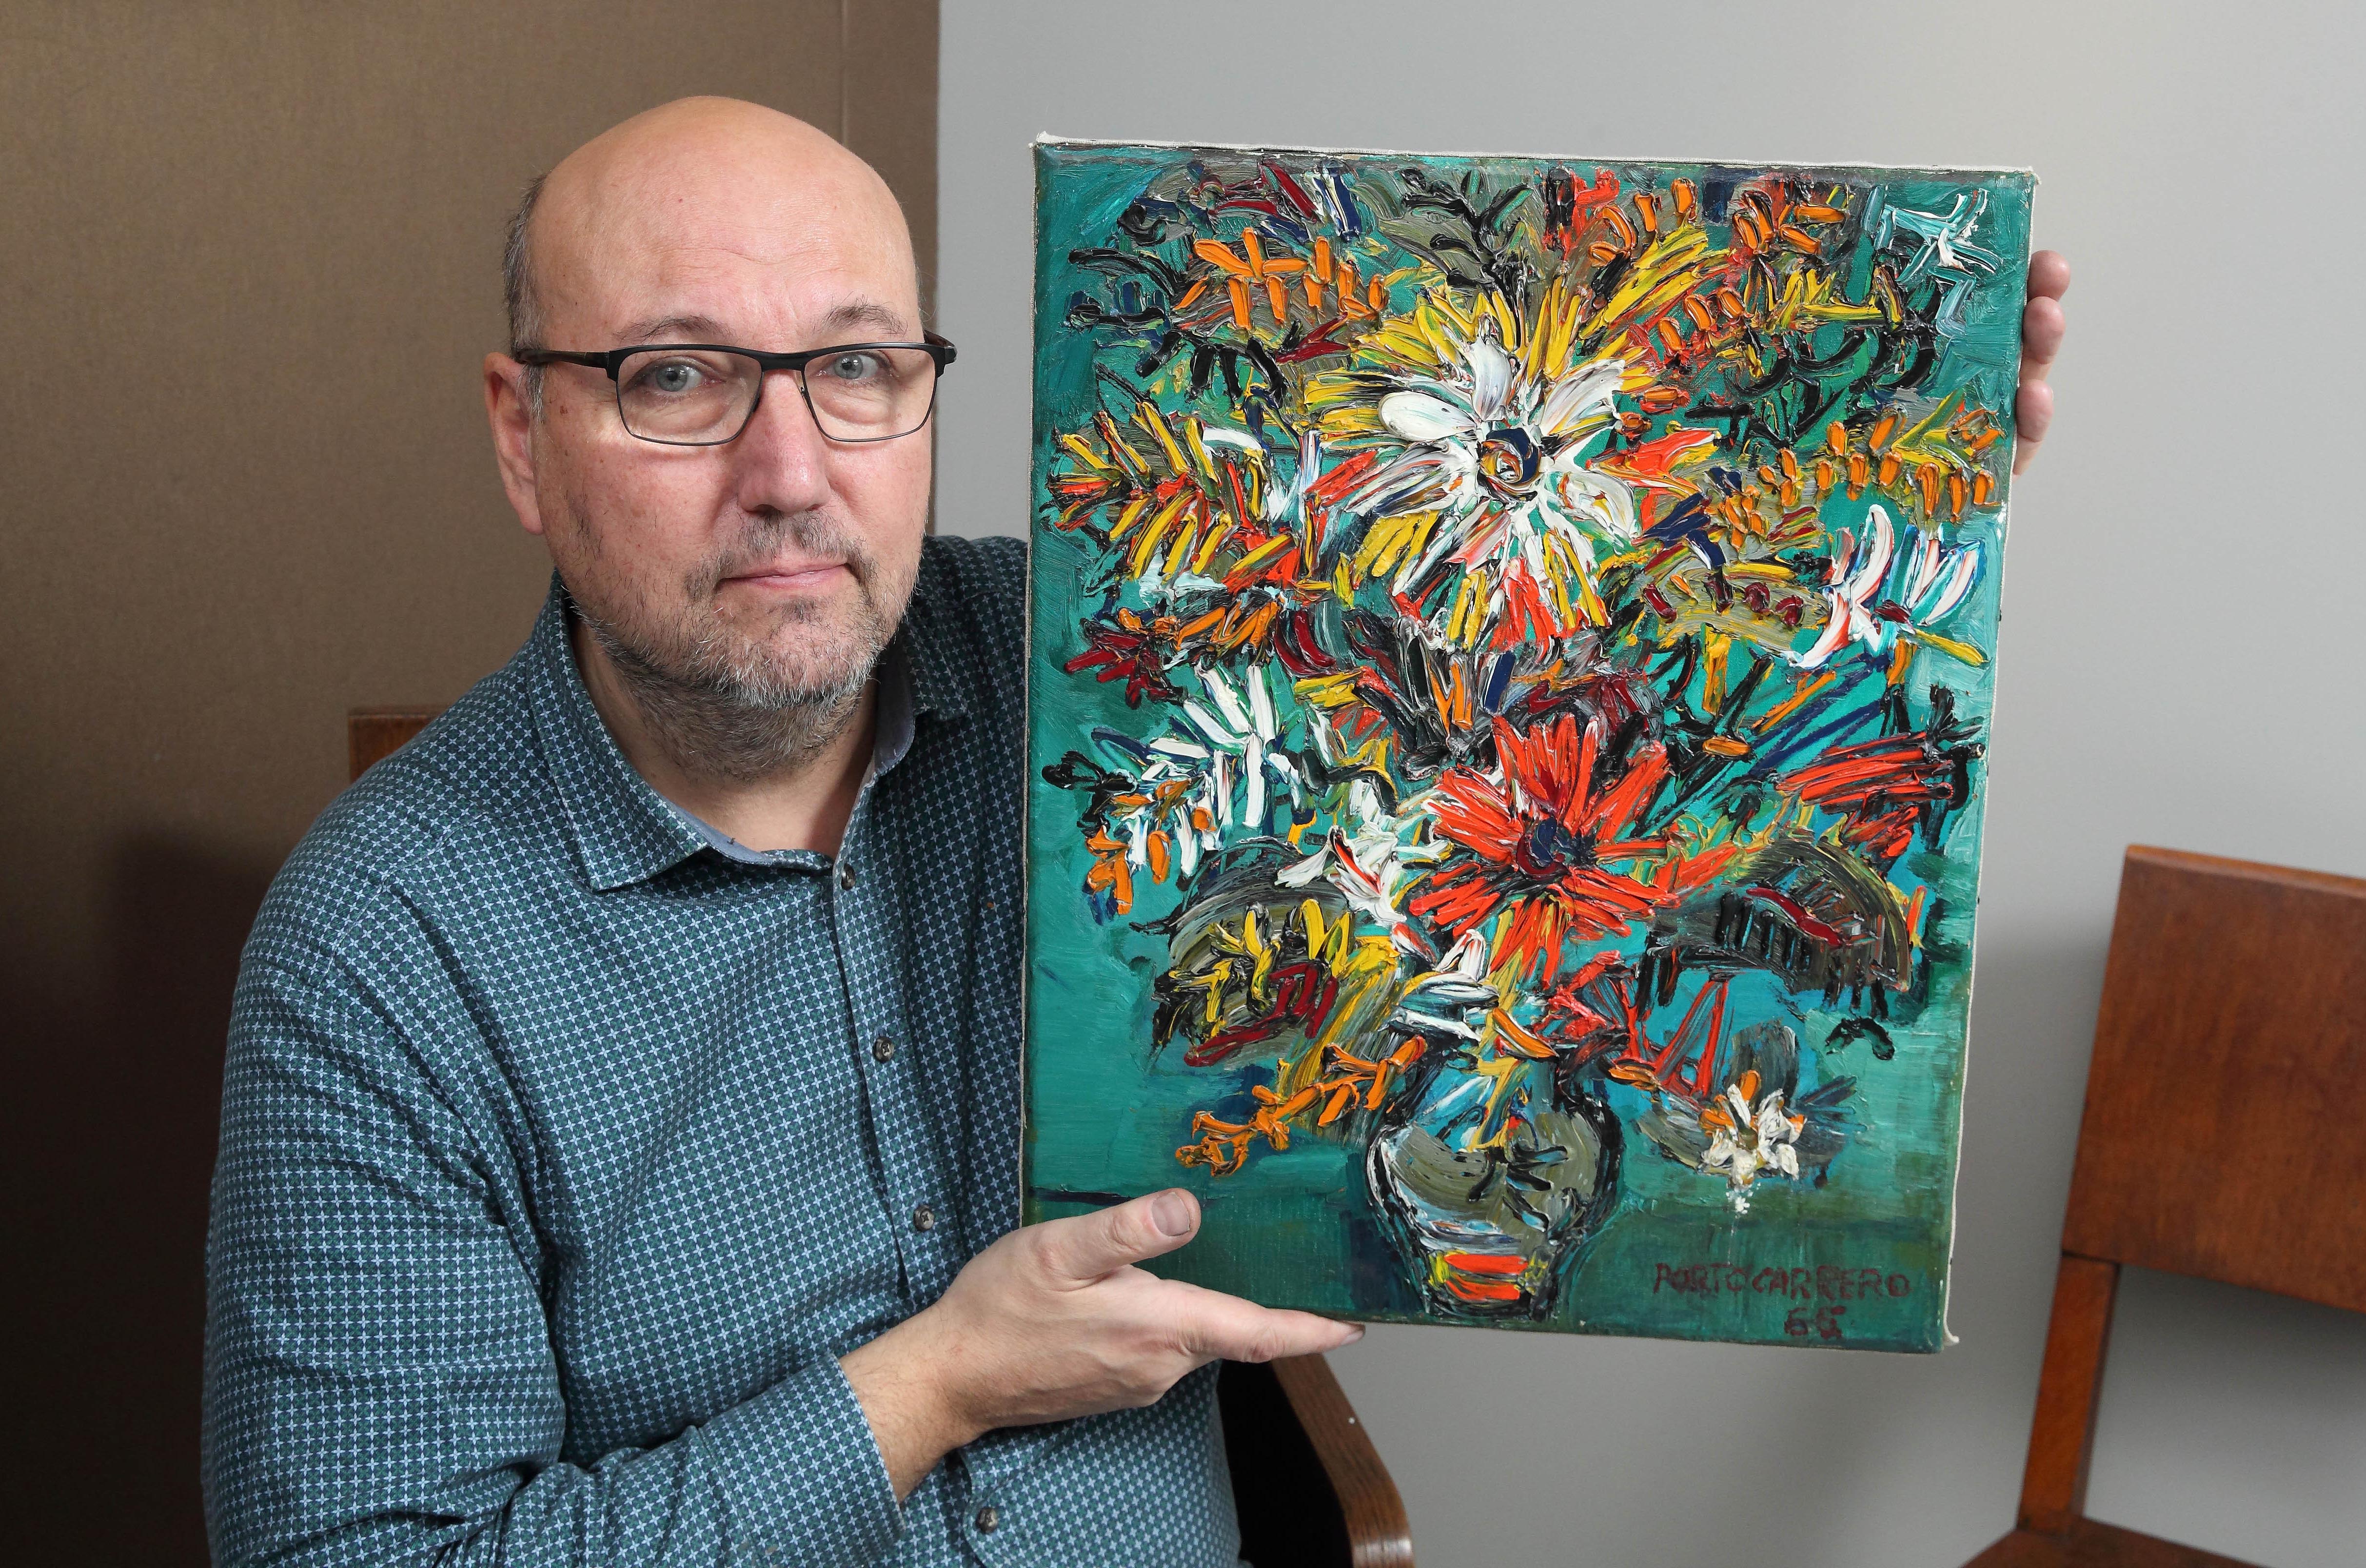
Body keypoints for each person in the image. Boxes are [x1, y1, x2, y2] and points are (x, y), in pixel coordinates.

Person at [203, 97, 2070, 1567]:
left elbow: (1515, 650)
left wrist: (1846, 471)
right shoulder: (383, 945)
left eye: (855, 367)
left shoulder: (1108, 669)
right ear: (521, 434)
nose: (791, 472)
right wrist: (929, 1388)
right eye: (677, 377)